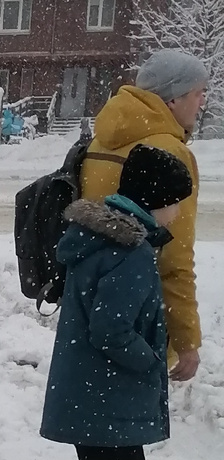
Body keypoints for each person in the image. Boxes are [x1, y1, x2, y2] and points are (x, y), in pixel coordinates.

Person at [24, 145, 194, 460]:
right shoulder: (131, 254)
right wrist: (153, 362)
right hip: (105, 391)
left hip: (90, 390)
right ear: (160, 200)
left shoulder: (103, 238)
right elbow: (112, 330)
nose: (181, 210)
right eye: (179, 200)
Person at [80, 48, 209, 384]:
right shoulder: (170, 152)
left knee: (98, 417)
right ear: (173, 100)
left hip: (89, 301)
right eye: (198, 93)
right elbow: (174, 258)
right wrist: (186, 339)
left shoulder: (103, 139)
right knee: (128, 420)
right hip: (140, 313)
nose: (202, 103)